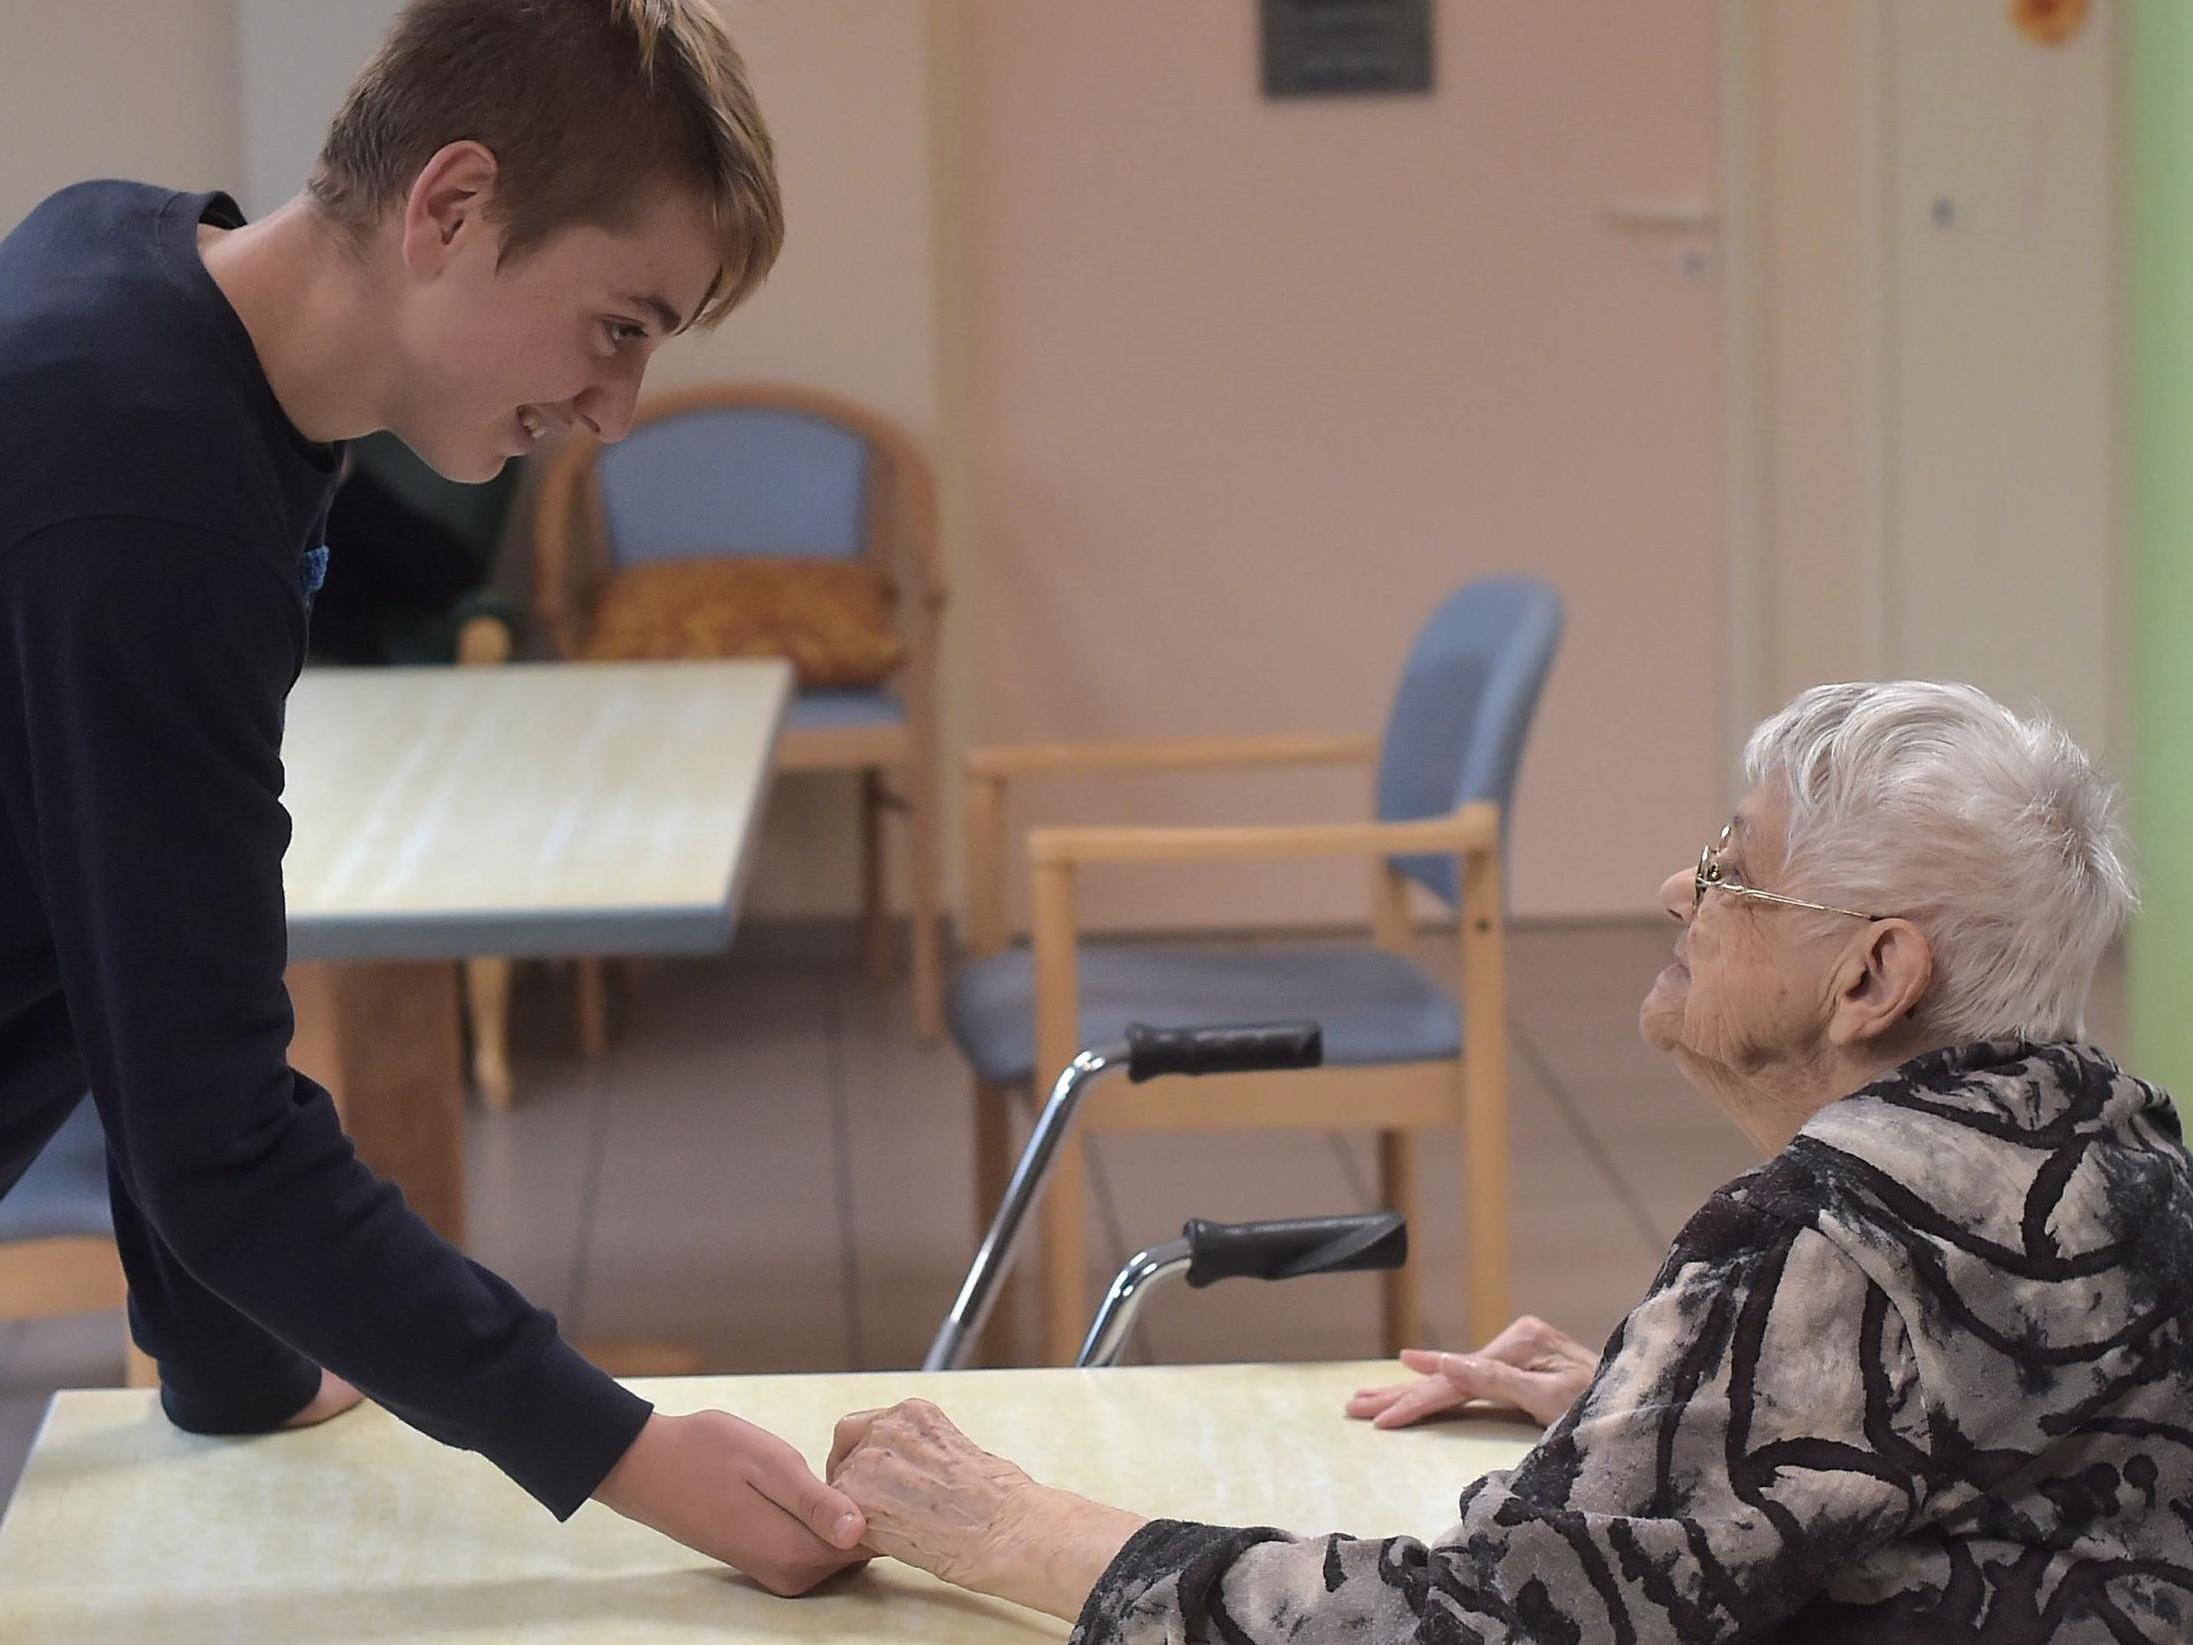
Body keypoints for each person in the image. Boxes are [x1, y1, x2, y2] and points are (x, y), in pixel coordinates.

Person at [0, 0, 868, 1596]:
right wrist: (625, 1452)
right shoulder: (143, 482)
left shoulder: (141, 291)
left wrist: (240, 1370)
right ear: (451, 207)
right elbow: (218, 1143)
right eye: (619, 324)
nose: (616, 410)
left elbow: (147, 959)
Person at [829, 681, 2193, 1641]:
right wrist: (1683, 1421)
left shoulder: (1825, 1239)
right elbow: (1990, 1477)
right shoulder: (2119, 1141)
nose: (1682, 889)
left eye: (1735, 866)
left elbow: (1476, 1625)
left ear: (1873, 975)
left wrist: (1023, 1532)